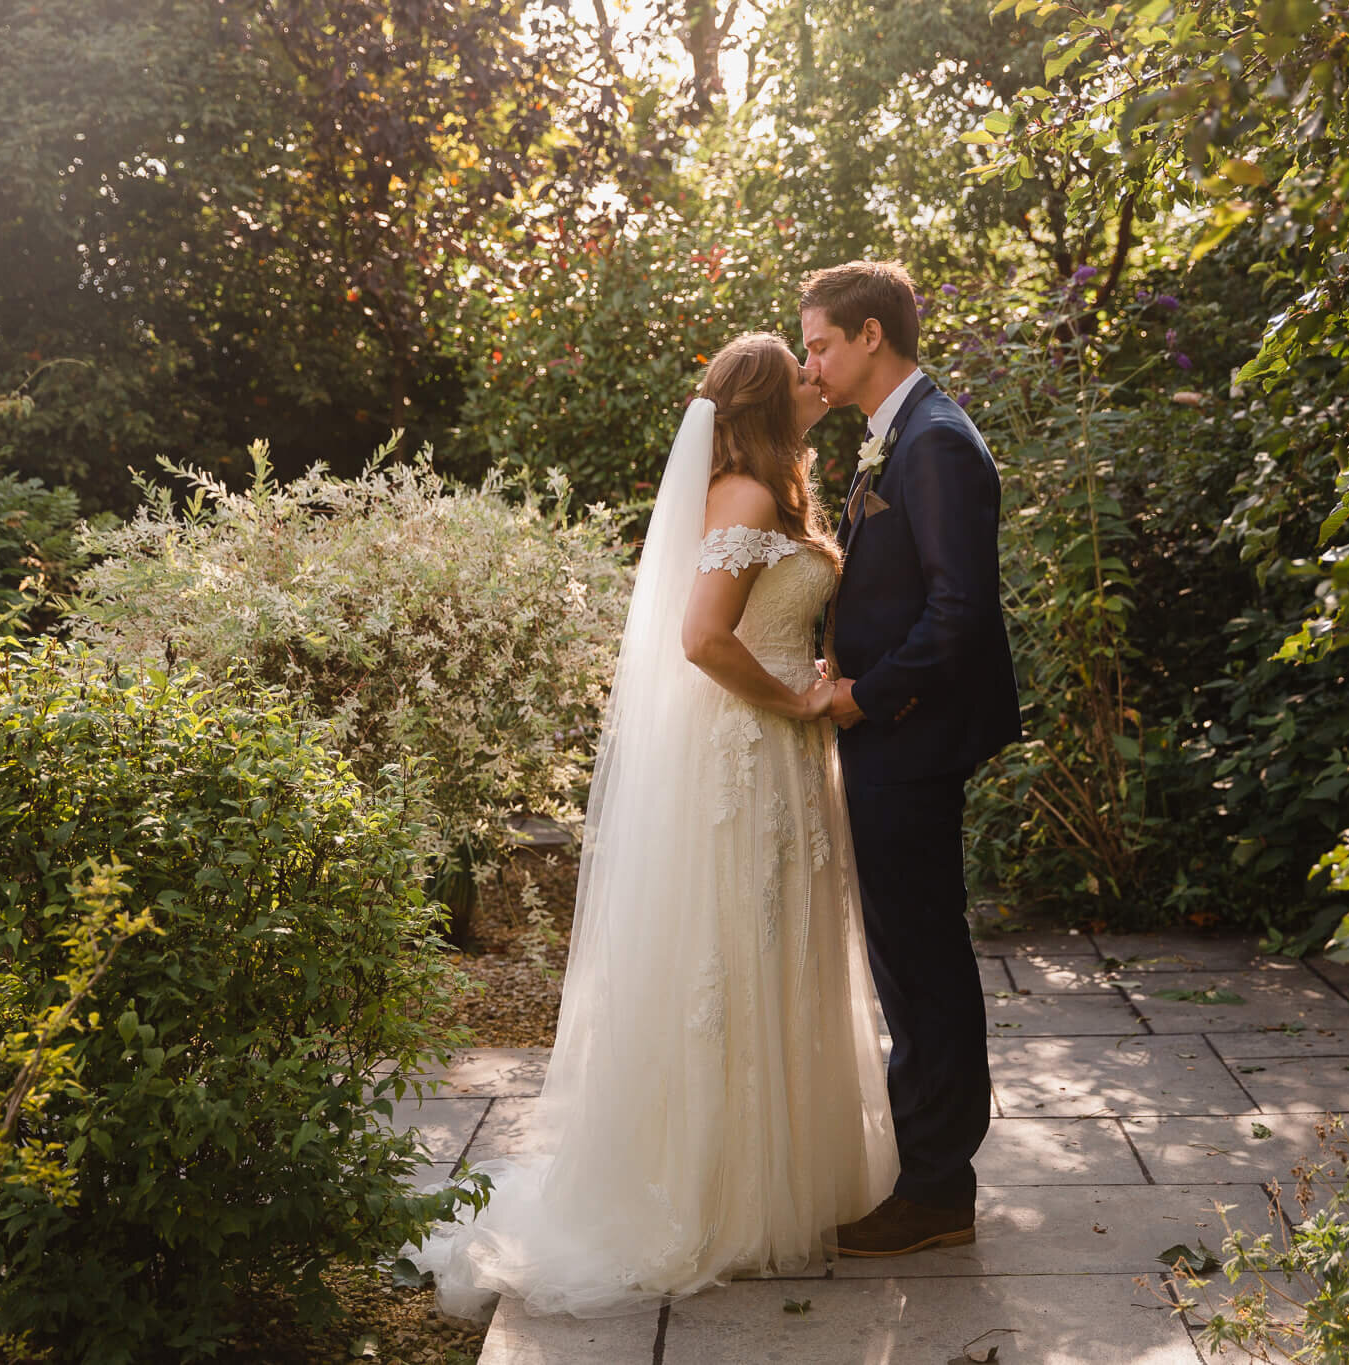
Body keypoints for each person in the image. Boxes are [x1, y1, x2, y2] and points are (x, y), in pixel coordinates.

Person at [408, 333, 897, 1320]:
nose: (816, 378)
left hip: (782, 761)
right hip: (747, 752)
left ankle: (780, 1177)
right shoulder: (746, 498)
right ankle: (716, 1194)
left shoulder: (776, 492)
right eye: (799, 372)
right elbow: (702, 638)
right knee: (733, 955)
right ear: (764, 406)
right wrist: (795, 703)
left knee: (775, 952)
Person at [799, 260, 1023, 1258]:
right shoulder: (906, 434)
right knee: (906, 959)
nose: (812, 363)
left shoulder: (933, 443)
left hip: (908, 739)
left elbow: (961, 615)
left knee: (921, 962)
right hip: (894, 733)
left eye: (820, 345)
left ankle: (936, 1187)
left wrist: (864, 694)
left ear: (871, 337)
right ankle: (924, 1168)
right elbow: (904, 596)